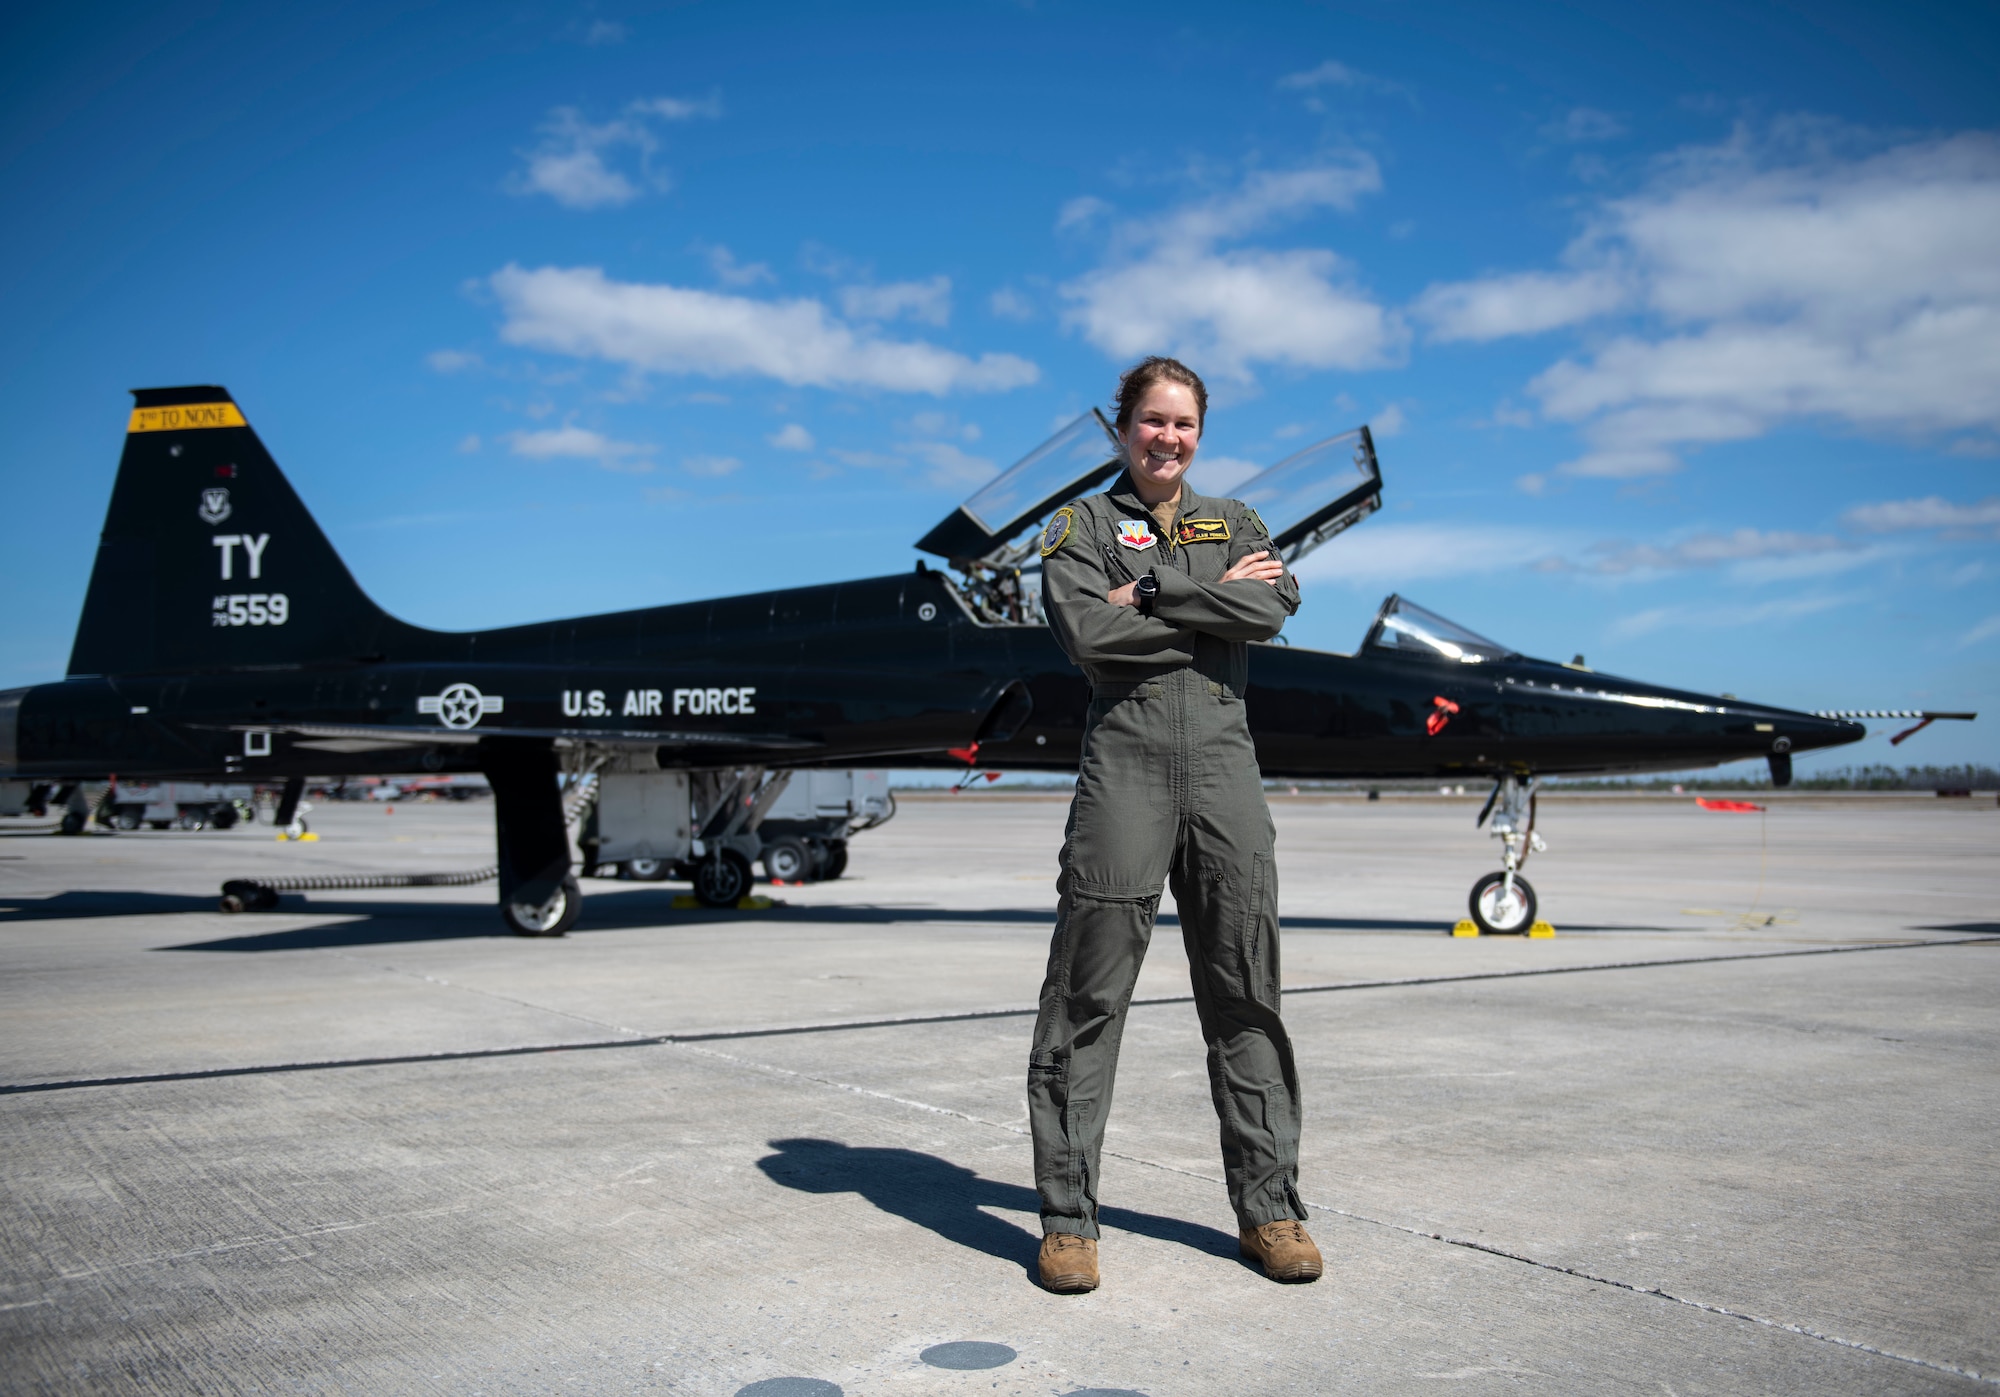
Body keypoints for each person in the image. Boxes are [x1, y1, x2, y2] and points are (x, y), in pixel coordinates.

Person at [1027, 355, 1321, 1293]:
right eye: (1153, 421)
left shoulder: (1235, 521)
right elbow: (1088, 637)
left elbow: (1273, 605)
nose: (1169, 438)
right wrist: (1211, 607)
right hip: (1126, 771)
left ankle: (1270, 1210)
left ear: (1201, 432)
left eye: (1185, 424)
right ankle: (1070, 1221)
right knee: (1087, 998)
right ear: (1124, 427)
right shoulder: (1079, 527)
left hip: (1227, 777)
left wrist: (1151, 593)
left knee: (1247, 993)